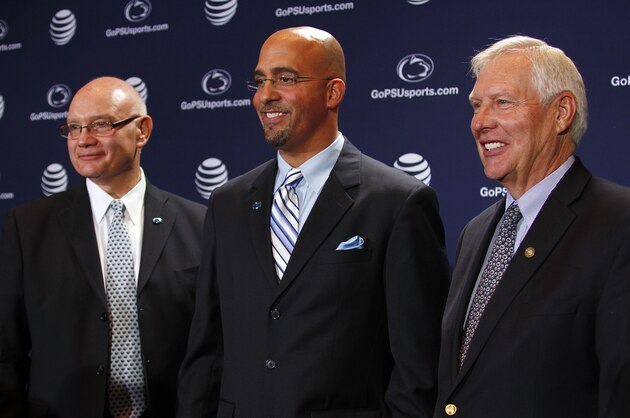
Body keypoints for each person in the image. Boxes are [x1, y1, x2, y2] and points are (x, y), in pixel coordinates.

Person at [176, 26, 450, 417]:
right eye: (260, 81)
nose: (266, 95)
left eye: (285, 79)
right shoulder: (227, 203)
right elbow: (206, 347)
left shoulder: (398, 202)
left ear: (333, 92)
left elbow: (418, 368)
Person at [435, 35, 630, 418]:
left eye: (502, 103)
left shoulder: (620, 224)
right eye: (476, 105)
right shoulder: (475, 233)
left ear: (561, 113)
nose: (480, 122)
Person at [0, 77, 206, 418]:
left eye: (101, 125)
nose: (83, 140)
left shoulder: (199, 225)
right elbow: (6, 354)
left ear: (142, 131)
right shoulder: (28, 228)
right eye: (74, 127)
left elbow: (215, 347)